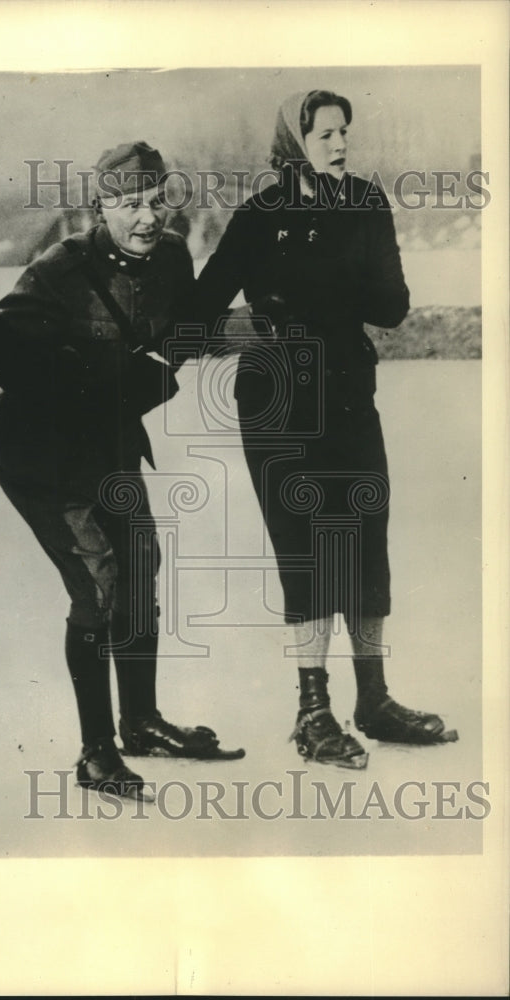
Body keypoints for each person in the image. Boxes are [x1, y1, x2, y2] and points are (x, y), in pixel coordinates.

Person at [192, 91, 458, 768]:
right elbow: (192, 316)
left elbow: (392, 307)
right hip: (277, 402)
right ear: (294, 143)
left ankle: (373, 699)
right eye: (324, 136)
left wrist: (345, 272)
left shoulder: (366, 204)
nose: (339, 145)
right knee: (308, 548)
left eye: (345, 132)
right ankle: (313, 712)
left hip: (345, 393)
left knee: (364, 539)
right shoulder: (259, 217)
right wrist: (247, 328)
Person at [0, 141, 244, 799]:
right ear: (100, 207)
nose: (146, 217)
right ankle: (95, 753)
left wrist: (262, 328)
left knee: (139, 567)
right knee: (97, 585)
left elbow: (179, 334)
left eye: (155, 200)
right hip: (41, 452)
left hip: (109, 444)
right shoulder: (57, 272)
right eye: (128, 203)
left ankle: (142, 722)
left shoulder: (175, 257)